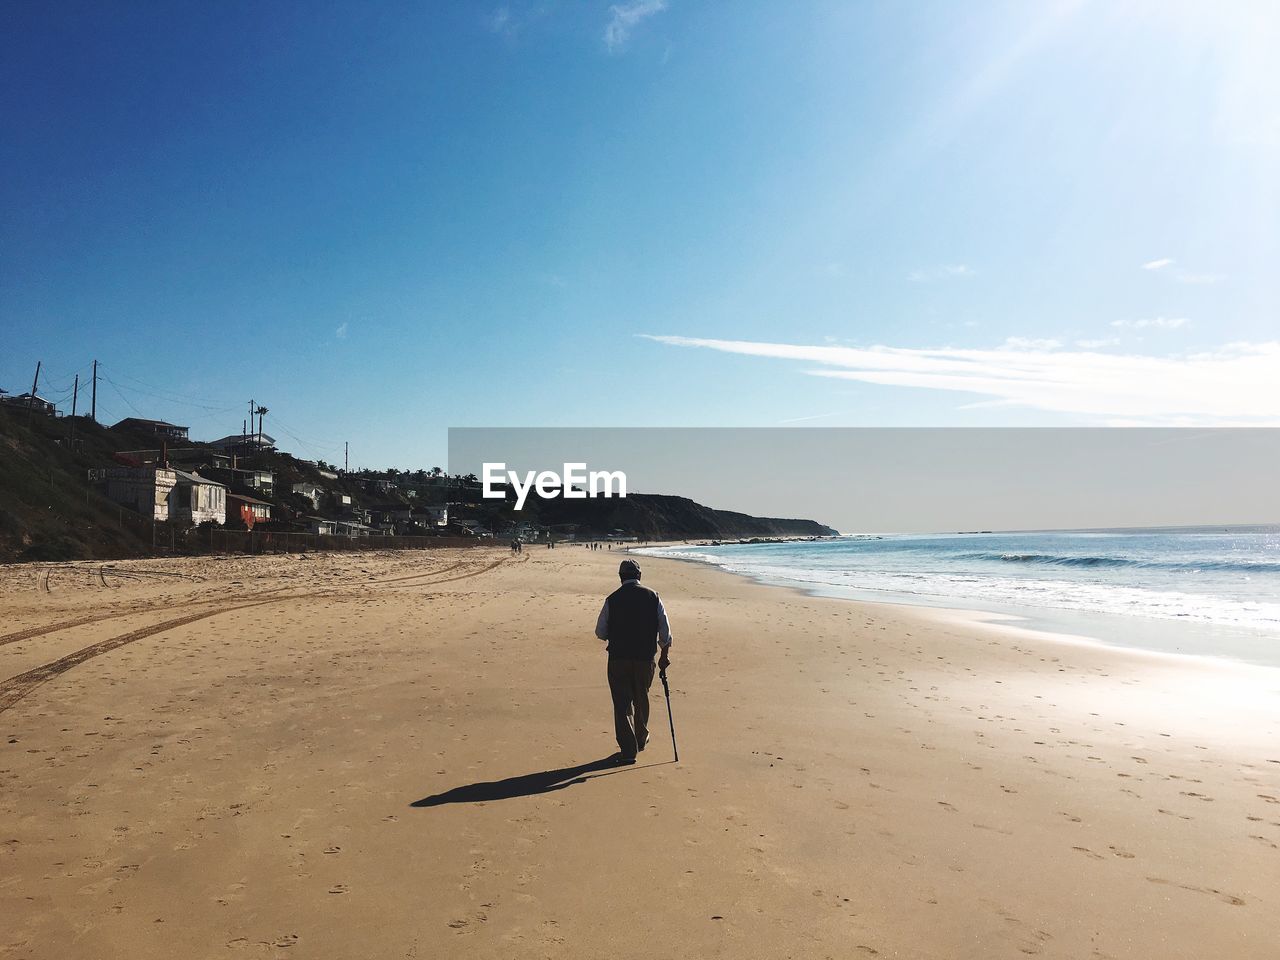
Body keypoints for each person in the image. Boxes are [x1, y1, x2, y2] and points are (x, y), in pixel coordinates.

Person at [594, 558, 672, 763]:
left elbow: (600, 632)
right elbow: (665, 633)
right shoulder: (653, 597)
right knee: (641, 698)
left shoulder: (612, 599)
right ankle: (641, 737)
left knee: (622, 703)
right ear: (639, 575)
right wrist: (664, 657)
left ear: (621, 577)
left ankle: (629, 750)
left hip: (618, 658)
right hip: (645, 658)